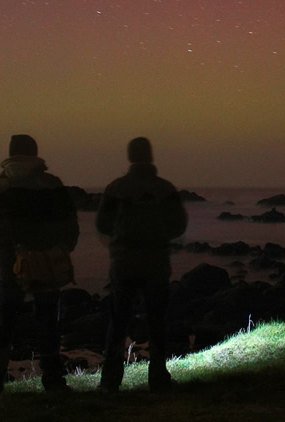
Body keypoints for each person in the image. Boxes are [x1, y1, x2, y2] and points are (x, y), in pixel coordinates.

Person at [0, 134, 79, 394]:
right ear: (35, 154)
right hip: (46, 262)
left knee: (5, 323)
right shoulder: (51, 183)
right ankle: (53, 381)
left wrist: (3, 255)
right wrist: (61, 250)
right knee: (48, 323)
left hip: (11, 265)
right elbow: (70, 224)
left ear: (10, 154)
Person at [96, 137, 188, 393]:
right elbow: (179, 224)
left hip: (123, 263)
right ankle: (158, 377)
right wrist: (158, 235)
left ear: (130, 157)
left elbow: (102, 224)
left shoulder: (116, 188)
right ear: (150, 156)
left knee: (118, 320)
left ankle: (110, 380)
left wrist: (120, 237)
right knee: (157, 320)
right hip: (156, 262)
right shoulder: (165, 188)